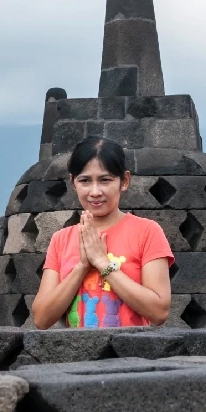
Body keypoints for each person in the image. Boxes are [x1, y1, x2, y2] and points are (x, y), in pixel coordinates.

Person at [31, 136, 174, 329]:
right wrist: (81, 266)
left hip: (130, 355)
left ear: (124, 181)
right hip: (74, 356)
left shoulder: (147, 232)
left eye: (105, 180)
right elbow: (41, 319)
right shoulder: (61, 239)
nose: (95, 191)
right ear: (73, 182)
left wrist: (102, 262)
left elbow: (159, 312)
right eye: (85, 181)